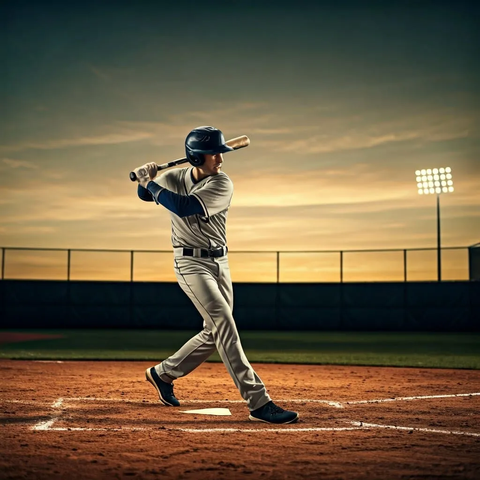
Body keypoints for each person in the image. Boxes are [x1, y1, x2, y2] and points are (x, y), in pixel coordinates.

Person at [133, 126, 298, 424]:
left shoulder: (222, 184)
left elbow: (184, 207)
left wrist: (151, 183)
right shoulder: (172, 178)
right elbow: (145, 195)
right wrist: (146, 178)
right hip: (190, 264)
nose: (220, 159)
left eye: (221, 152)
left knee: (215, 330)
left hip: (220, 263)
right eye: (214, 153)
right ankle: (258, 402)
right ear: (196, 158)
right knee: (224, 323)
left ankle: (162, 374)